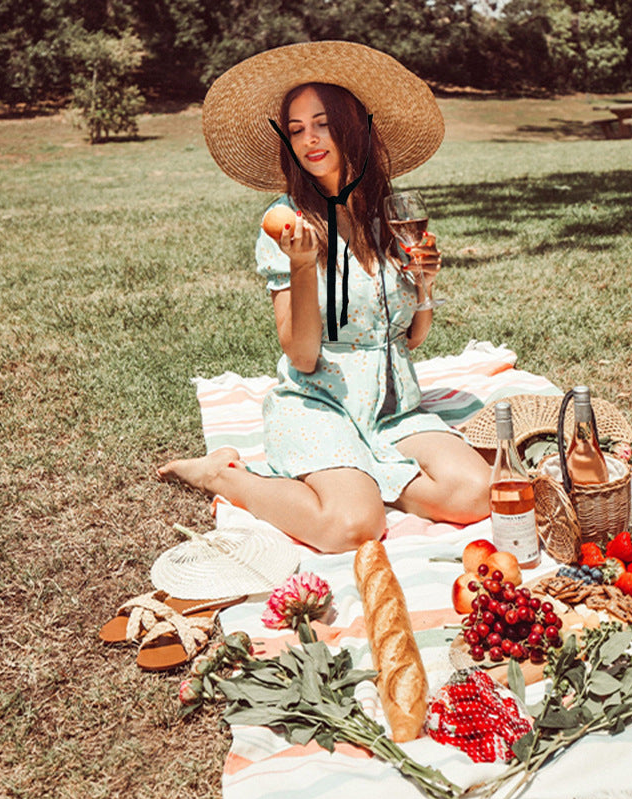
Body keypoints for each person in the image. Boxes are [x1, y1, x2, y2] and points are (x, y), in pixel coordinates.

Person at [158, 41, 490, 553]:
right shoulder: (288, 223)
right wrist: (302, 264)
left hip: (392, 408)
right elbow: (303, 354)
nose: (309, 140)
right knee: (352, 528)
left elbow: (413, 338)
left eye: (322, 124)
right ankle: (225, 476)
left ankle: (369, 473)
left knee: (476, 494)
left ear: (353, 126)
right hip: (321, 404)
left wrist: (424, 288)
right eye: (296, 130)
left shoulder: (389, 213)